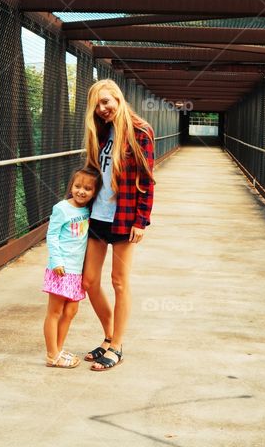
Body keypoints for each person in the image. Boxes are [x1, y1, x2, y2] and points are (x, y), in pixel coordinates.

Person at [81, 79, 155, 371]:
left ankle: (117, 346)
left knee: (119, 282)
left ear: (119, 99)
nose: (102, 109)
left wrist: (142, 221)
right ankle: (109, 335)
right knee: (88, 282)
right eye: (97, 105)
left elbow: (147, 180)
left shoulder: (140, 131)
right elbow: (92, 173)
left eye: (106, 102)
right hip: (97, 216)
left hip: (124, 218)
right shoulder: (99, 131)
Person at [43, 166, 100, 368]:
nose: (81, 191)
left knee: (71, 311)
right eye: (77, 186)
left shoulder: (87, 211)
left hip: (76, 271)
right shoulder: (62, 208)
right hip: (61, 269)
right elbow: (52, 235)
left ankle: (58, 350)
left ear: (94, 192)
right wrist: (56, 261)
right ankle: (52, 355)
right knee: (55, 312)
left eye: (87, 188)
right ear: (71, 186)